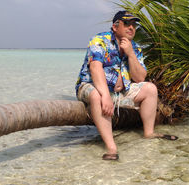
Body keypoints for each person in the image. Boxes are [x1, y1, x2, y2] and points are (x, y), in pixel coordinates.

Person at [75, 11, 178, 160]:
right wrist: (105, 95)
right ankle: (111, 147)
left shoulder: (135, 47)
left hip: (122, 92)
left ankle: (149, 133)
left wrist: (130, 54)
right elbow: (95, 68)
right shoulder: (99, 40)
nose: (131, 28)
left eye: (134, 25)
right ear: (115, 27)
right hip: (91, 86)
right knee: (96, 96)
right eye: (127, 24)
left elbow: (140, 77)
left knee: (150, 89)